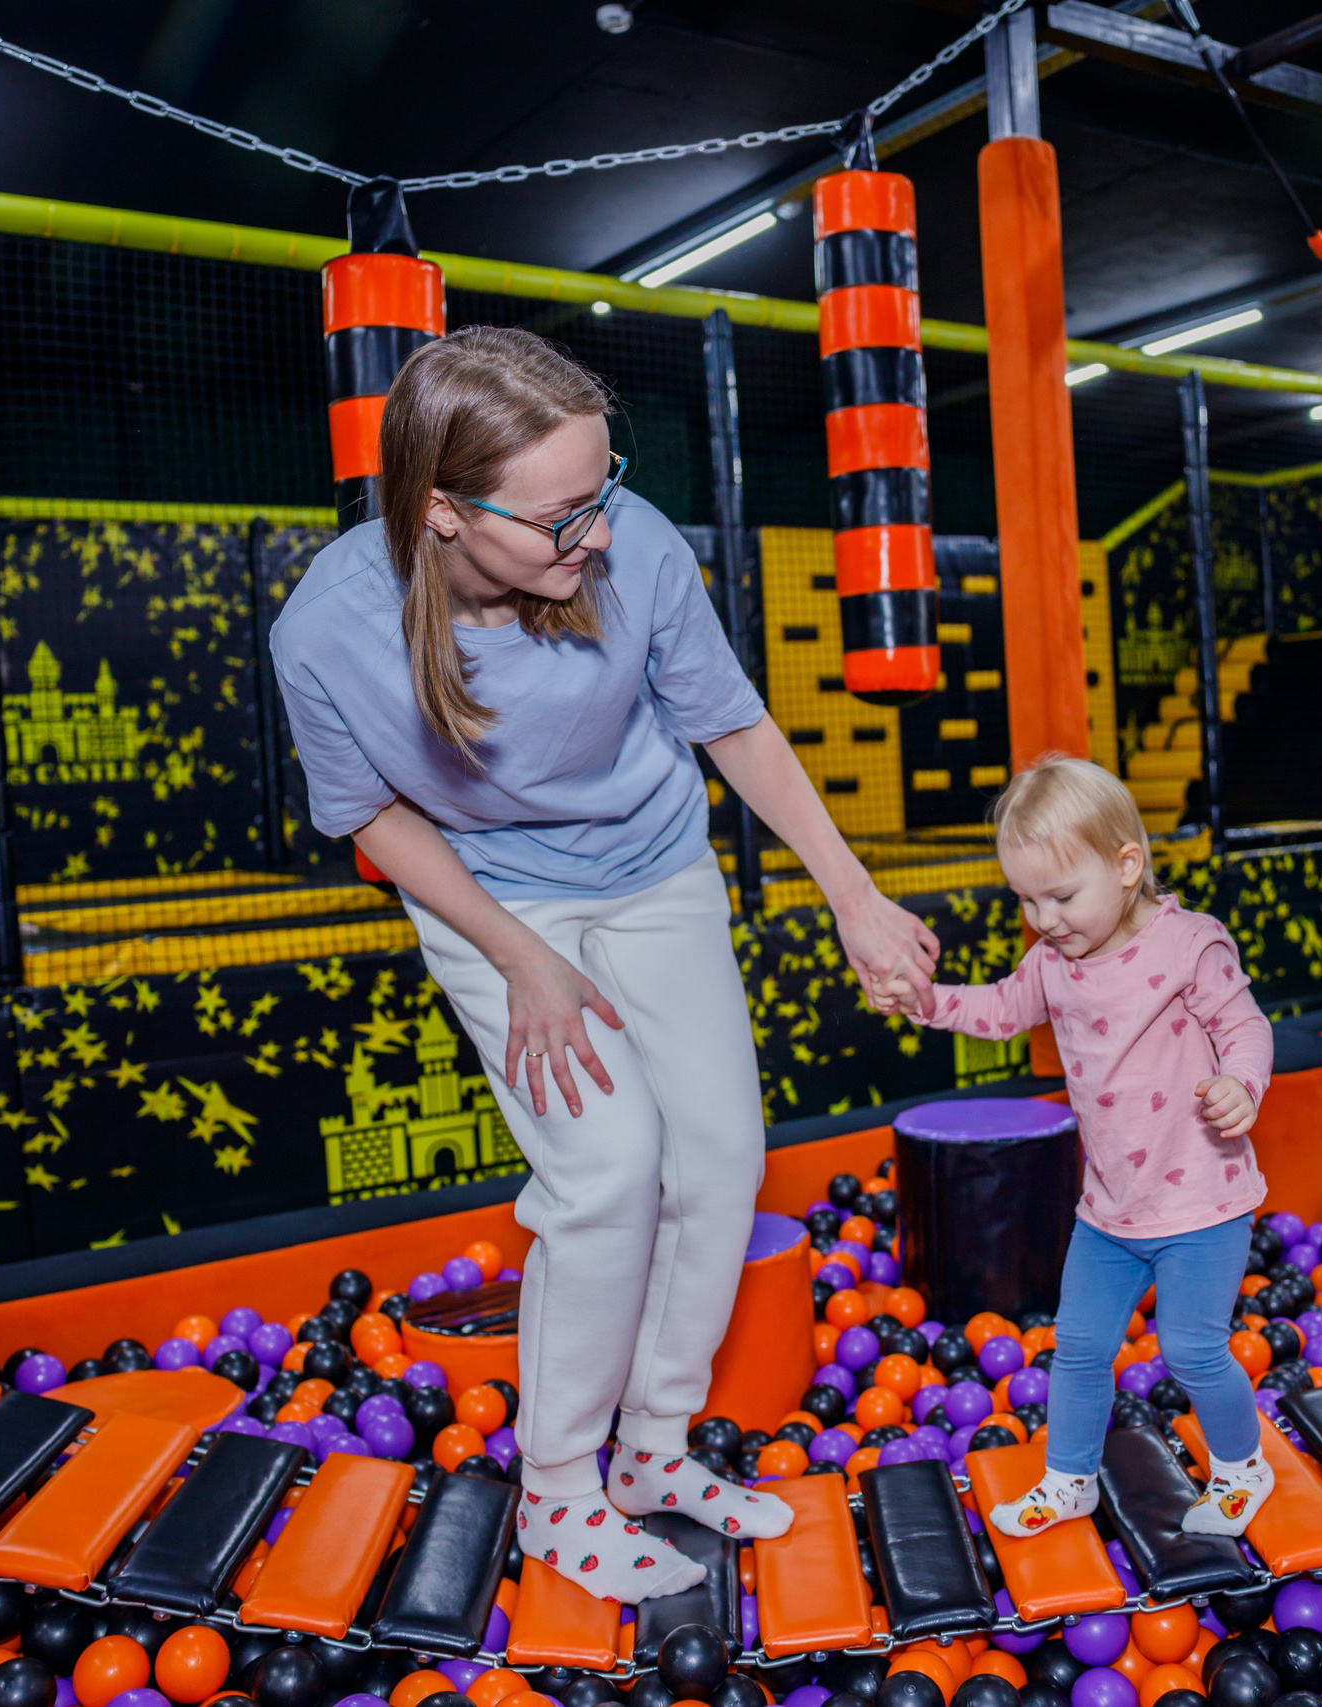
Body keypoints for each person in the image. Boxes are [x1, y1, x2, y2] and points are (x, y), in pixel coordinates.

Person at [269, 326, 939, 1602]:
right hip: (494, 901)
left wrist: (851, 892)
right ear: (443, 514)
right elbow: (371, 817)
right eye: (560, 514)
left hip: (654, 872)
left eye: (604, 488)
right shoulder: (327, 631)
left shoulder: (633, 553)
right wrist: (518, 955)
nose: (595, 531)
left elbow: (730, 723)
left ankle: (653, 1451)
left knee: (722, 1162)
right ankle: (561, 1492)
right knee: (607, 1168)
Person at [876, 755, 1277, 1538]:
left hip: (1200, 1196)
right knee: (1080, 1345)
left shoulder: (1187, 944)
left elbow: (1245, 1025)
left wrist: (1242, 1083)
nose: (1045, 917)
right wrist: (926, 1002)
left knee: (1193, 1348)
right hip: (1109, 1209)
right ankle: (1069, 1479)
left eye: (1061, 895)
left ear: (1127, 865)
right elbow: (997, 1009)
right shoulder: (1053, 963)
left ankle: (1240, 1467)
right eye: (1026, 899)